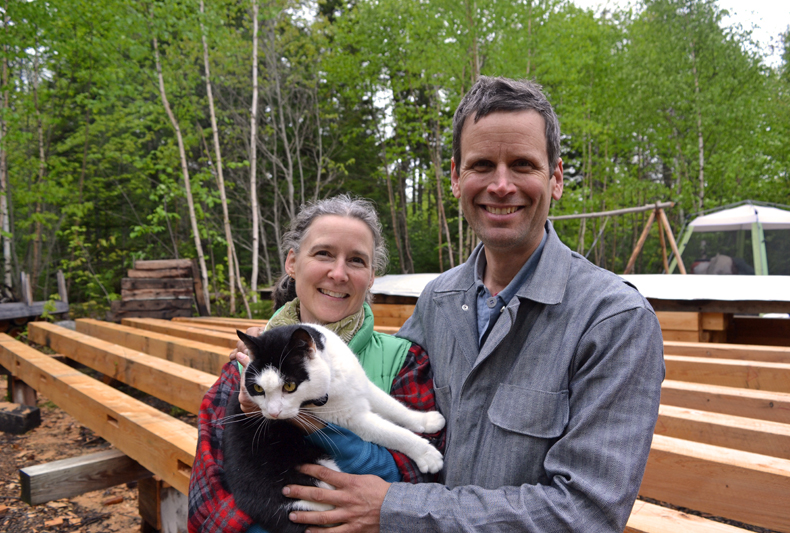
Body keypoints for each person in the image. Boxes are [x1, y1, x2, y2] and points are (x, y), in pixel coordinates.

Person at [281, 76, 665, 532]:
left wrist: (395, 509)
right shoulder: (437, 303)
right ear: (456, 178)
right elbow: (378, 408)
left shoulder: (613, 322)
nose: (501, 186)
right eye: (482, 164)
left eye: (522, 164)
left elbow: (585, 512)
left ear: (556, 178)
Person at [187, 195, 443, 533]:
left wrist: (319, 427)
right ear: (292, 263)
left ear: (371, 277)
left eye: (356, 260)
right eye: (323, 254)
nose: (338, 273)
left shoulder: (405, 360)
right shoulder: (245, 366)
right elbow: (205, 501)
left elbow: (422, 479)